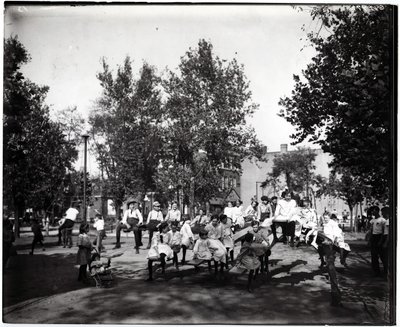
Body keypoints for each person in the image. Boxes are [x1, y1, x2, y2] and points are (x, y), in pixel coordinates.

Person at [368, 206, 386, 277]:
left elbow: (384, 231)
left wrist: (381, 241)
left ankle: (386, 271)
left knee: (382, 255)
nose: (372, 212)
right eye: (372, 211)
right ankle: (376, 271)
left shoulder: (382, 220)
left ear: (377, 211)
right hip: (374, 238)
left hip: (380, 237)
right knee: (374, 256)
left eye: (374, 211)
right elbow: (371, 231)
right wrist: (369, 240)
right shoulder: (372, 221)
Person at [380, 206, 390, 277]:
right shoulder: (387, 221)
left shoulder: (388, 221)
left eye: (382, 212)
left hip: (387, 239)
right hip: (385, 238)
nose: (382, 214)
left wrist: (386, 242)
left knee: (385, 257)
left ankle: (387, 272)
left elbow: (388, 233)